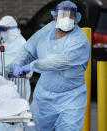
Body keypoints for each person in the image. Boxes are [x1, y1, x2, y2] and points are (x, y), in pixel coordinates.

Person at [13, 1, 91, 131]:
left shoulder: (80, 40)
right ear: (55, 16)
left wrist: (31, 66)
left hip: (71, 99)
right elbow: (29, 47)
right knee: (34, 128)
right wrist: (18, 63)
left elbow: (58, 61)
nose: (66, 18)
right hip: (44, 96)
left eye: (70, 15)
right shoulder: (48, 29)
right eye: (62, 14)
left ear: (76, 18)